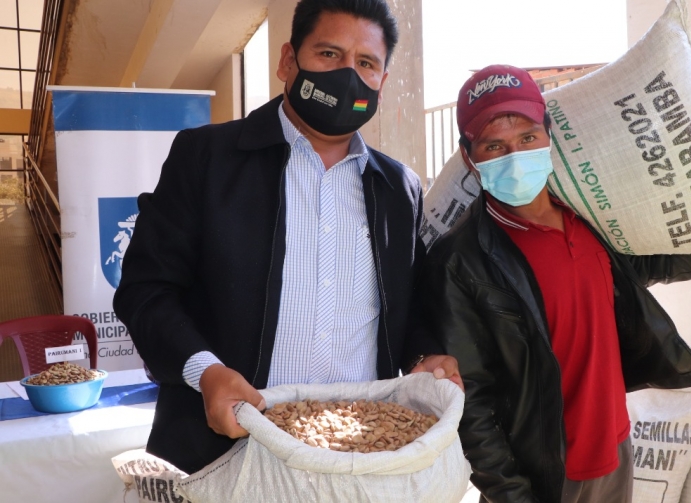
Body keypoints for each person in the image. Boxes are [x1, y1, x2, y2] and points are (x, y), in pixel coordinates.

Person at [113, 0, 459, 475]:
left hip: (358, 454)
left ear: (381, 79)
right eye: (329, 55)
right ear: (287, 61)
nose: (348, 77)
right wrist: (205, 370)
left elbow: (410, 308)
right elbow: (145, 292)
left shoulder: (399, 189)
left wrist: (426, 356)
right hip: (226, 451)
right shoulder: (206, 159)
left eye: (366, 64)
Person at [419, 65, 691, 503]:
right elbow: (472, 403)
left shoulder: (588, 218)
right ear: (470, 158)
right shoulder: (460, 262)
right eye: (495, 146)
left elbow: (644, 264)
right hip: (544, 473)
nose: (515, 154)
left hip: (616, 449)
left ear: (548, 136)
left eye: (527, 138)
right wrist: (513, 496)